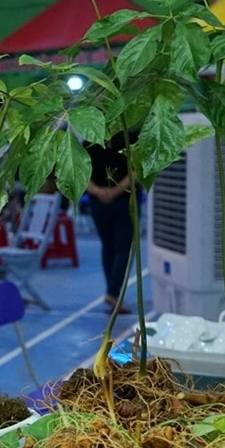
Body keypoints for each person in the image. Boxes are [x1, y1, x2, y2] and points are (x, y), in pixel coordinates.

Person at [85, 130, 136, 314]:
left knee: (108, 247)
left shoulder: (90, 139)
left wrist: (98, 191)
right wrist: (115, 191)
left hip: (99, 202)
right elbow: (136, 170)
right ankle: (114, 292)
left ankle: (112, 292)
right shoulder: (129, 136)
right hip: (124, 200)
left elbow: (81, 173)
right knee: (123, 248)